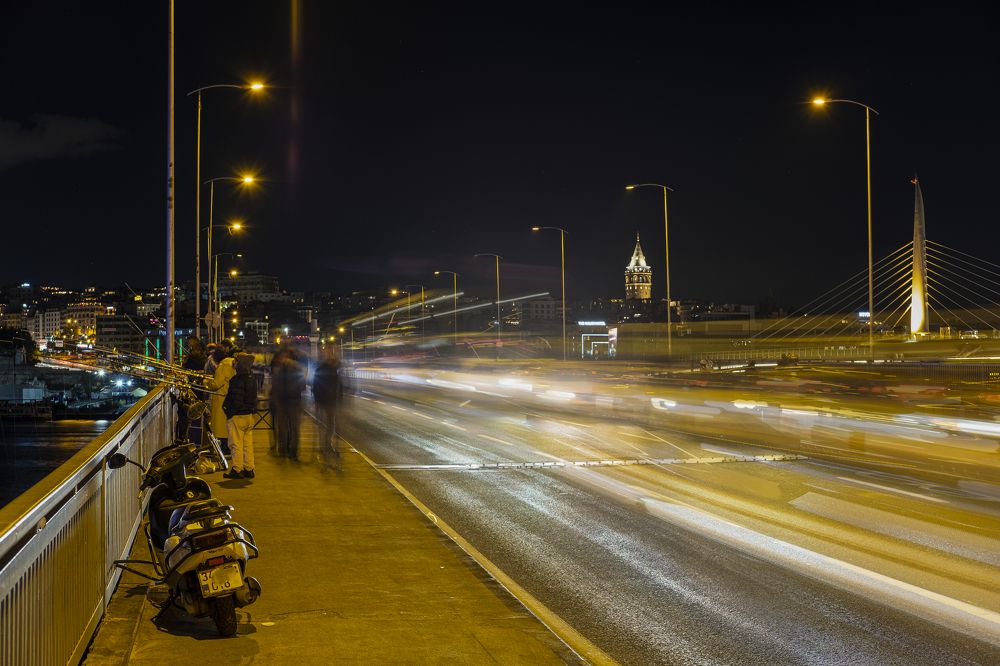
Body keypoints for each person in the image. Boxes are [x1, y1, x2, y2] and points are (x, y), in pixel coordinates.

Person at [222, 353, 258, 479]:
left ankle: (237, 469)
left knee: (235, 443)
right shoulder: (251, 377)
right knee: (247, 444)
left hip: (238, 416)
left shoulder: (237, 380)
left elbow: (236, 400)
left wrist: (229, 411)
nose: (234, 363)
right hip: (249, 415)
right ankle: (249, 468)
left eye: (236, 361)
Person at [271, 344, 305, 459]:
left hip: (286, 400)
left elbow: (275, 384)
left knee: (285, 427)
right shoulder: (297, 367)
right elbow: (302, 384)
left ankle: (285, 450)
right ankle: (291, 451)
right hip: (291, 400)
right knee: (291, 427)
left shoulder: (280, 368)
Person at [312, 346, 343, 466]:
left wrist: (340, 397)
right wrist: (317, 400)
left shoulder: (335, 368)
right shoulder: (324, 368)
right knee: (326, 424)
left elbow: (339, 385)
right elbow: (316, 385)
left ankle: (327, 445)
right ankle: (325, 445)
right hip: (325, 400)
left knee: (331, 424)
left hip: (331, 401)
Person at [205, 345, 235, 456]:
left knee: (221, 426)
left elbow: (216, 384)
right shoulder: (231, 362)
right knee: (227, 425)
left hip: (222, 398)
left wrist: (206, 382)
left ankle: (225, 450)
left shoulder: (223, 366)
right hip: (229, 397)